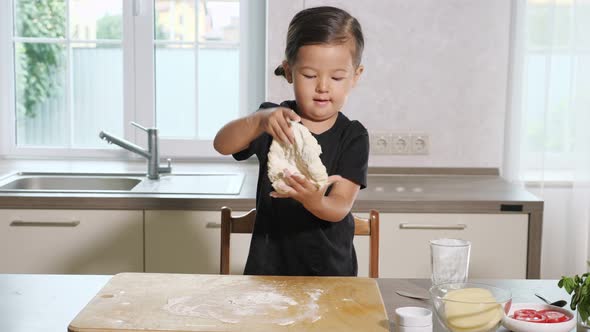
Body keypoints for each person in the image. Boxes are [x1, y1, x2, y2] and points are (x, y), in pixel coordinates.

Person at [213, 6, 369, 276]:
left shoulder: (352, 136)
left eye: (336, 77)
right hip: (269, 271)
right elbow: (222, 144)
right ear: (288, 71)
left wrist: (314, 200)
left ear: (355, 76)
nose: (322, 86)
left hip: (330, 275)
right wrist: (258, 120)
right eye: (309, 75)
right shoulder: (275, 120)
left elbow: (340, 205)